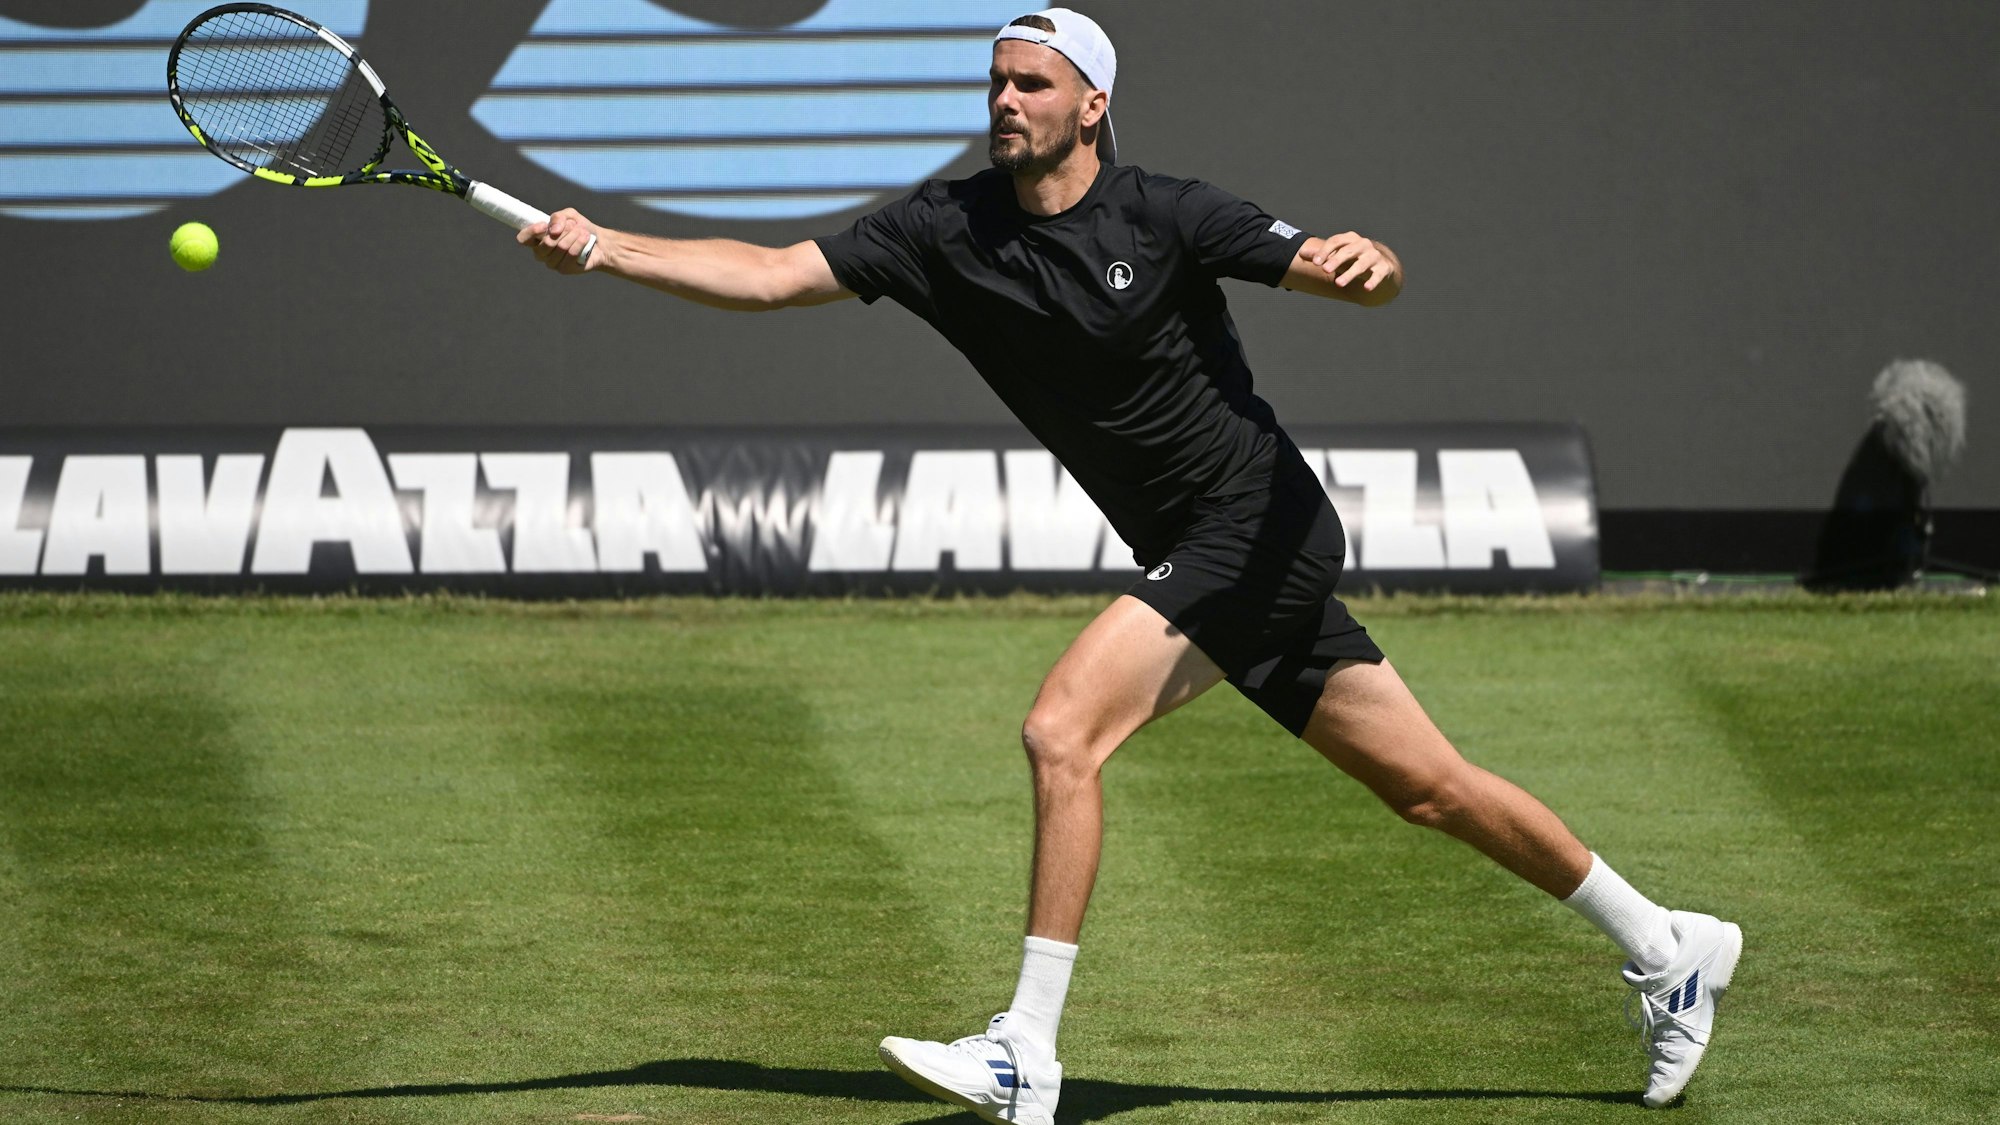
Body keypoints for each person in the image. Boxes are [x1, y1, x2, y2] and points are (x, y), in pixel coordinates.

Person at [518, 8, 1742, 1121]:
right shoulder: (943, 227)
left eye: (1032, 85)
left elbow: (1333, 268)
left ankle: (1023, 1050)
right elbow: (775, 274)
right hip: (1197, 547)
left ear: (1091, 104)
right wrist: (606, 246)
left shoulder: (1166, 213)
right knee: (1429, 789)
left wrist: (1368, 267)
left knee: (1062, 731)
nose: (1005, 101)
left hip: (1256, 523)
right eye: (997, 82)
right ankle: (1666, 944)